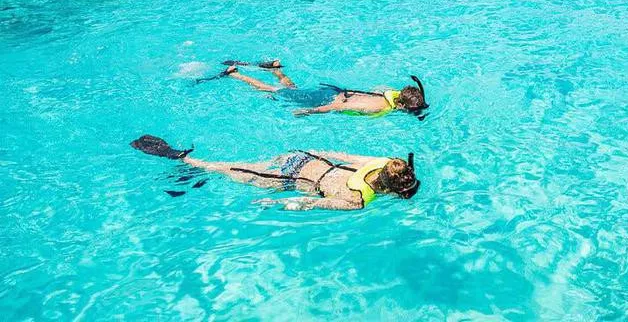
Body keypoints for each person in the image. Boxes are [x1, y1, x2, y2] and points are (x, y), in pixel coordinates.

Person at [130, 135, 420, 211]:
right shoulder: (356, 200)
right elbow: (309, 203)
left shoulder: (380, 161)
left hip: (302, 158)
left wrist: (312, 151)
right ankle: (182, 160)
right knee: (223, 169)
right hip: (288, 180)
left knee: (238, 165)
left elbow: (341, 156)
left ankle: (193, 172)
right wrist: (273, 204)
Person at [214, 59, 429, 118]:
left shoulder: (389, 92)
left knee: (294, 91)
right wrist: (311, 112)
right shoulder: (377, 107)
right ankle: (236, 74)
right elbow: (337, 106)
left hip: (332, 90)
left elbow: (376, 88)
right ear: (401, 105)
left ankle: (276, 70)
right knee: (272, 92)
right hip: (327, 100)